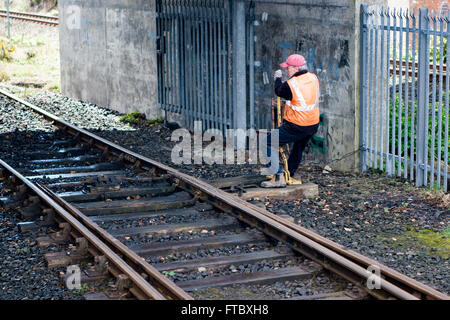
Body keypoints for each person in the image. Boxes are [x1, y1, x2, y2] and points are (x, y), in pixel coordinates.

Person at [261, 54, 320, 188]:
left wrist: (277, 78)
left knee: (268, 143)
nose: (287, 70)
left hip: (296, 125)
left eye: (288, 68)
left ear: (296, 68)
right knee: (298, 147)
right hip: (312, 125)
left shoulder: (291, 84)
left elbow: (279, 91)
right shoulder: (314, 78)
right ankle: (290, 173)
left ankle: (277, 177)